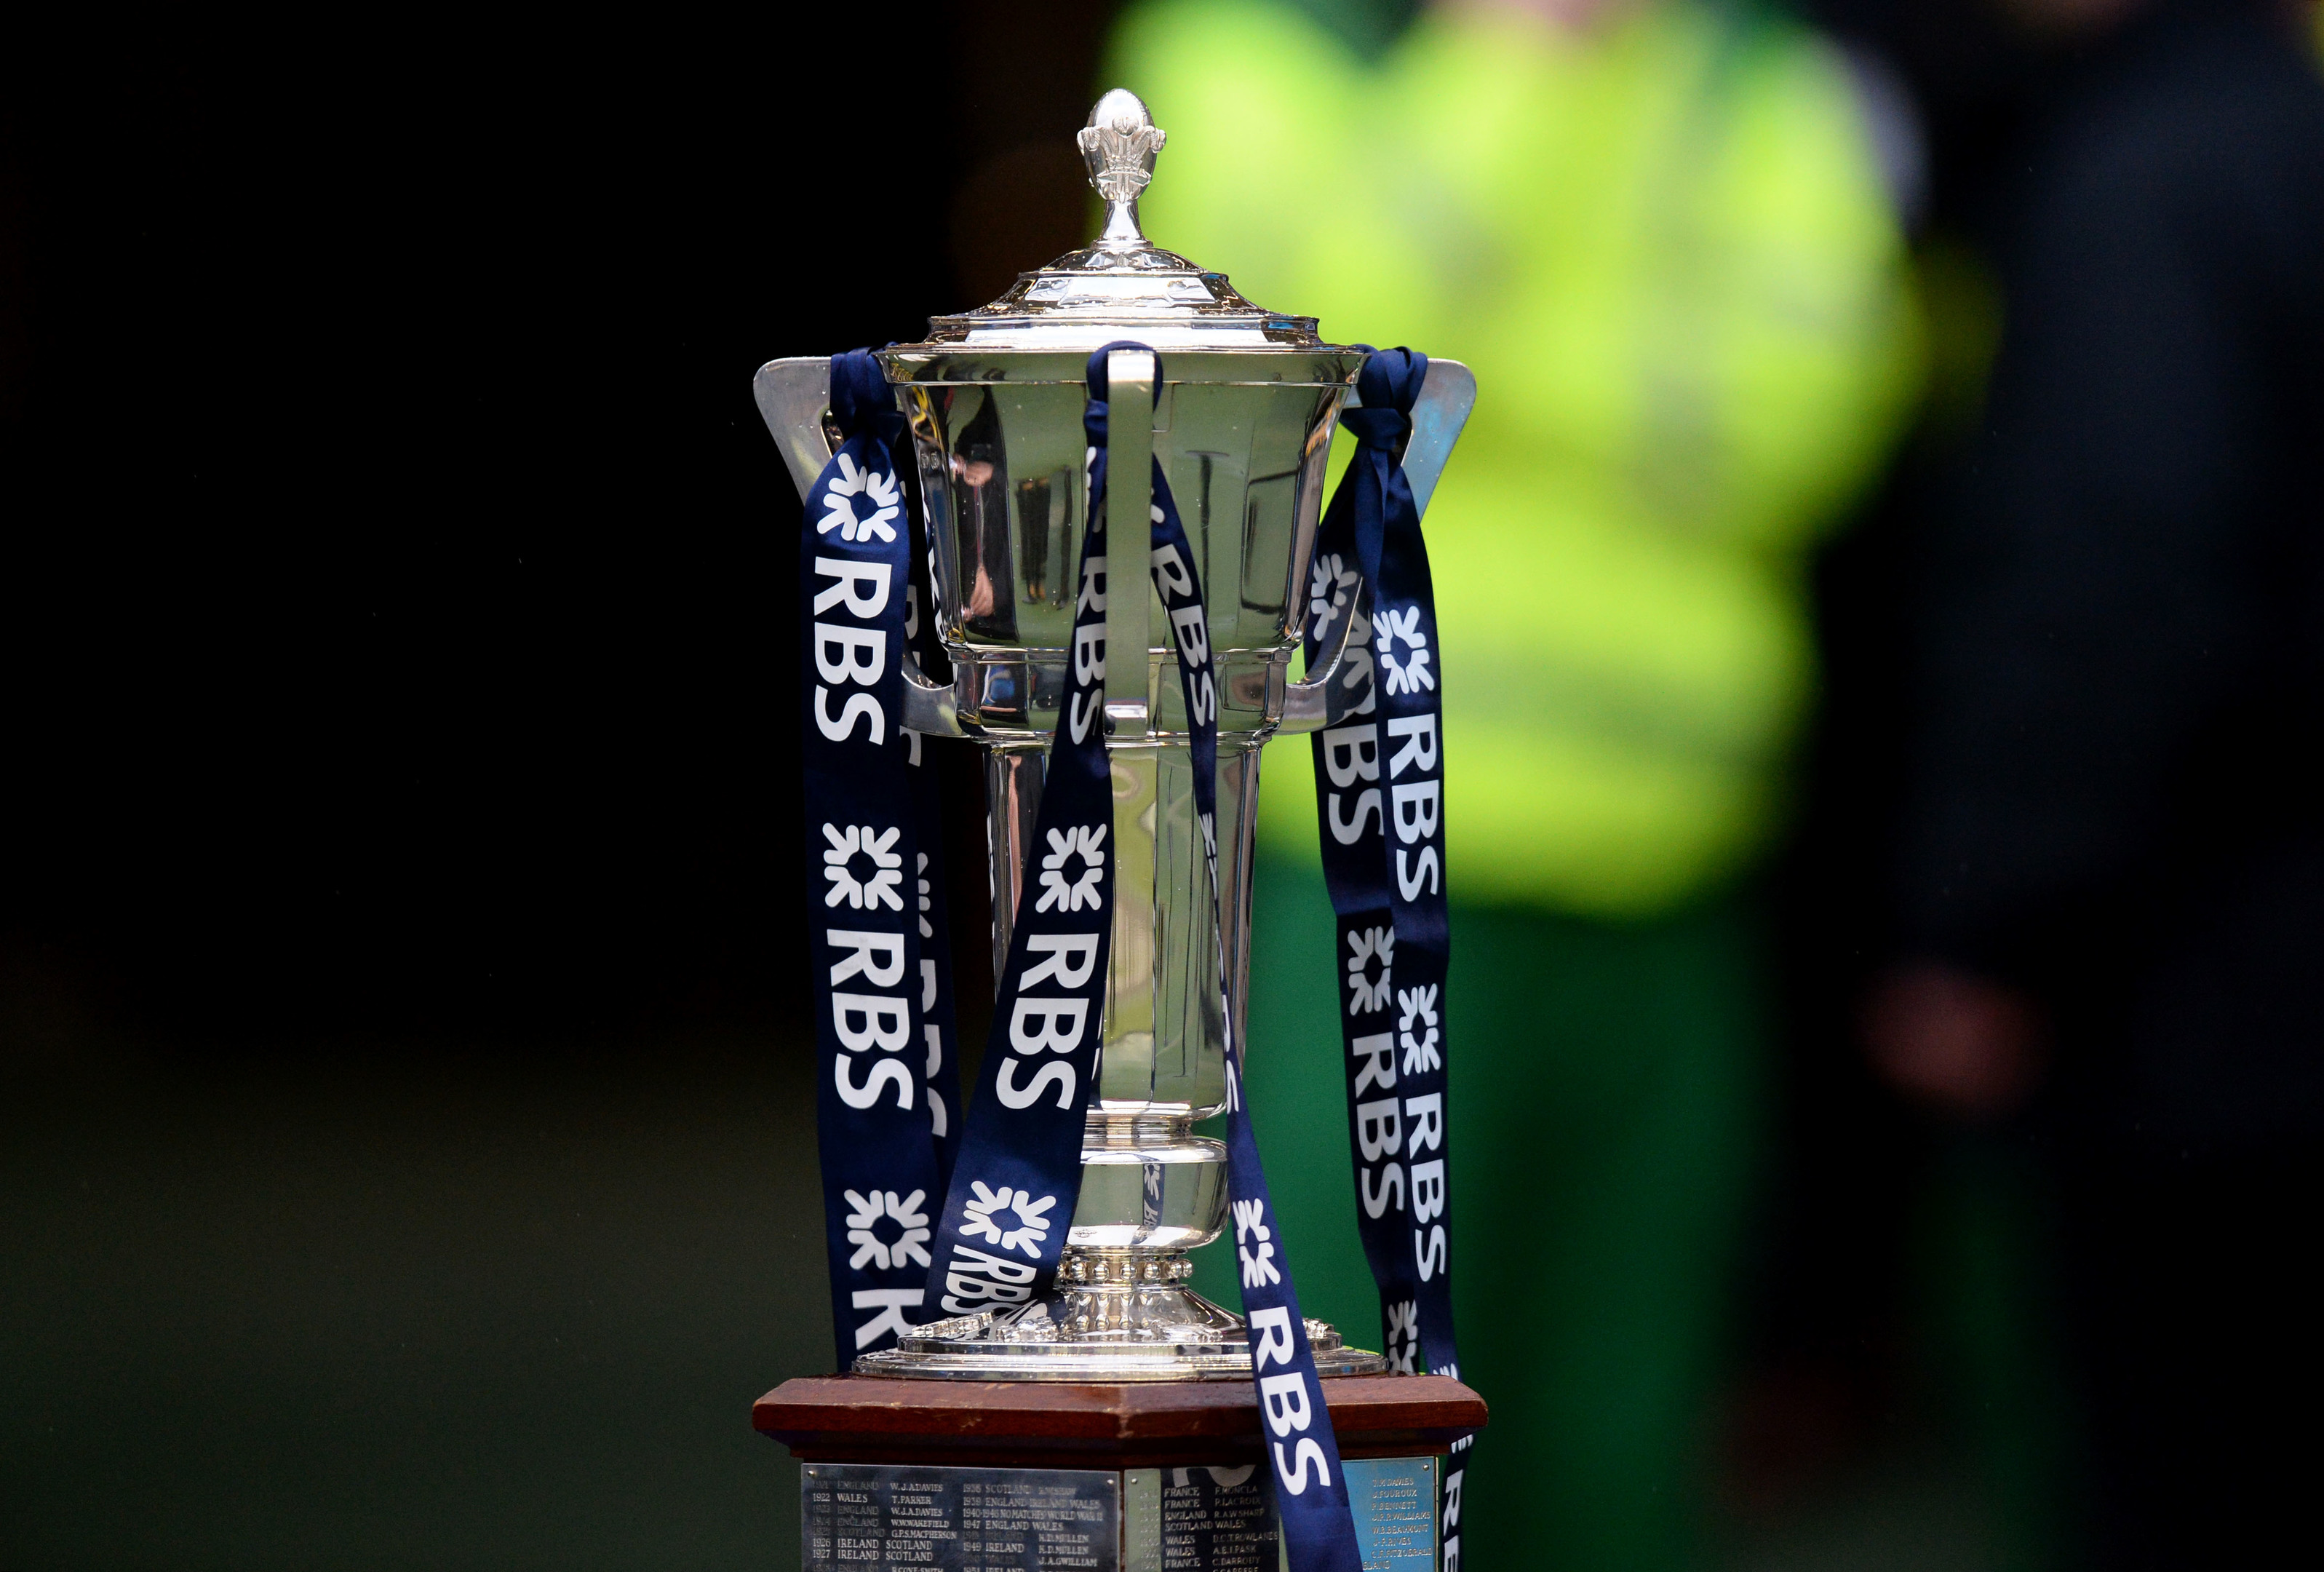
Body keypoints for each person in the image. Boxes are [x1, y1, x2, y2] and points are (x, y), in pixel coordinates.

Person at [1107, 1, 1922, 1563]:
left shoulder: (1763, 75)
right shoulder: (1245, 49)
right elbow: (1319, 363)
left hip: (1676, 880)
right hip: (1360, 867)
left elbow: (1807, 420)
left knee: (1630, 1425)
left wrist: (1489, 372)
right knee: (1353, 1412)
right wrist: (1511, 63)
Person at [1863, 0, 2324, 1562]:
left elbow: (2117, 580)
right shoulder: (2269, 136)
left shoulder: (2148, 174)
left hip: (2198, 993)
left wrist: (1990, 926)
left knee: (2171, 1475)